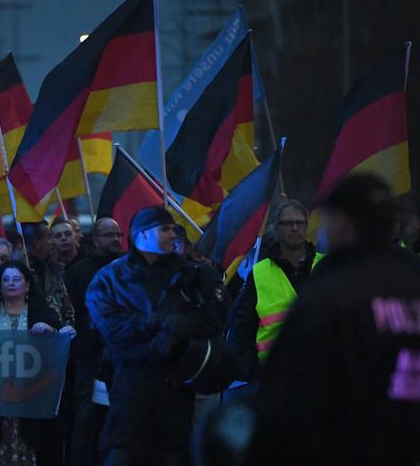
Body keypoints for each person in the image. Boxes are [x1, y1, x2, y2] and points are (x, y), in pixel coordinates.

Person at [242, 173, 420, 464]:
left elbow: (287, 395)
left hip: (343, 445)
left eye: (325, 219)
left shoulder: (330, 290)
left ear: (344, 223)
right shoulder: (413, 278)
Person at [87, 206, 230, 465]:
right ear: (141, 235)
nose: (173, 234)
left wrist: (180, 327)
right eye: (164, 229)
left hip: (175, 387)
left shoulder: (193, 276)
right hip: (130, 387)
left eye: (173, 228)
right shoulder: (112, 279)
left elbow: (216, 317)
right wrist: (153, 324)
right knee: (122, 454)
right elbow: (110, 327)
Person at [0, 261, 74, 465]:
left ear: (28, 285)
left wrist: (50, 333)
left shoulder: (44, 314)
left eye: (16, 279)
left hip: (32, 397)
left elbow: (61, 351)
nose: (10, 283)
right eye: (6, 280)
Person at [229, 199, 322, 386]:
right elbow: (242, 328)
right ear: (277, 229)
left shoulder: (325, 265)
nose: (294, 228)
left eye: (299, 223)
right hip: (275, 377)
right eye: (288, 223)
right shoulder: (259, 272)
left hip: (321, 374)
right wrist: (253, 374)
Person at [64, 217, 124, 466]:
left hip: (123, 354)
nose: (115, 240)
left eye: (118, 235)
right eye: (109, 235)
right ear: (95, 239)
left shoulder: (129, 267)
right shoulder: (79, 270)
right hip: (91, 355)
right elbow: (70, 310)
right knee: (87, 417)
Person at [22, 221, 75, 327]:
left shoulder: (56, 269)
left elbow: (67, 309)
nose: (53, 242)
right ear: (37, 243)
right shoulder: (22, 273)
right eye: (49, 238)